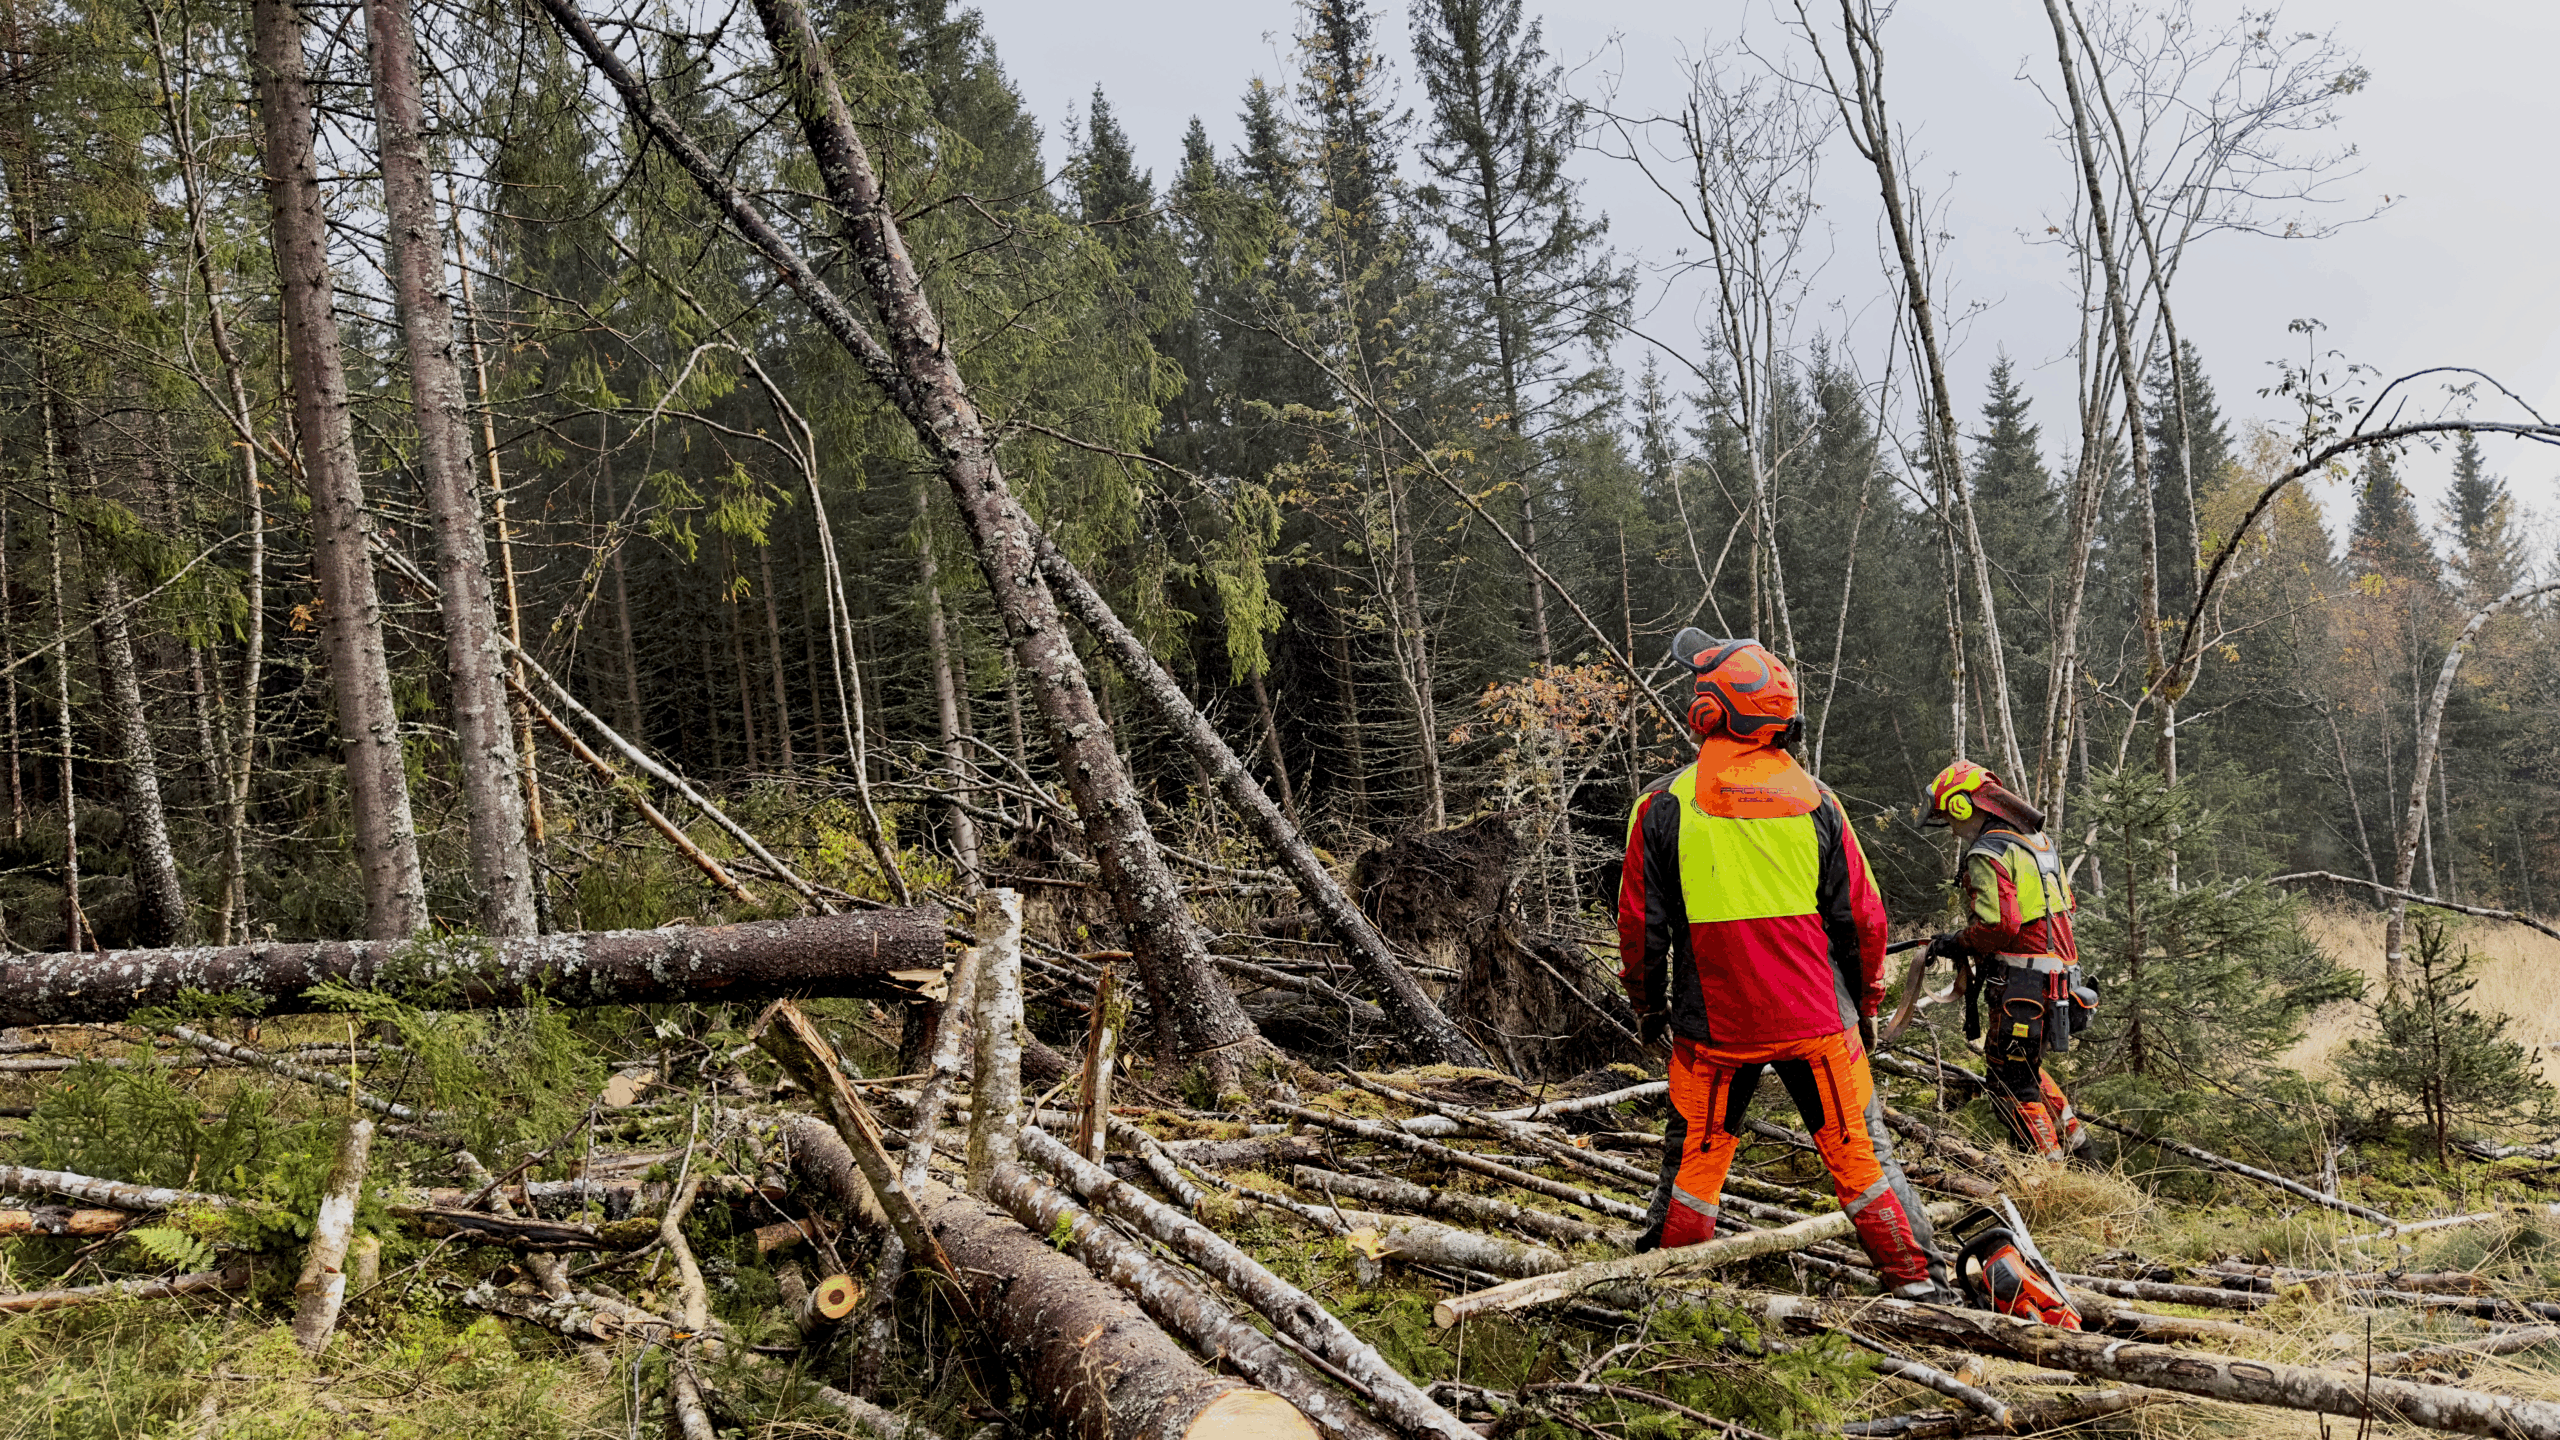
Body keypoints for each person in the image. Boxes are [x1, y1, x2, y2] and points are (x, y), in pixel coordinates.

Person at [1618, 629, 1949, 1298]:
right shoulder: (1819, 801)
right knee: (1862, 1157)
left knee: (1697, 1159)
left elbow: (1639, 928)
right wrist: (1866, 1005)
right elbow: (1863, 920)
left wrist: (1648, 1008)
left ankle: (1672, 1286)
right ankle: (1919, 1282)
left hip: (1716, 1027)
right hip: (1820, 1021)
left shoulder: (1662, 806)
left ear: (1708, 711)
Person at [1922, 759, 2093, 1161]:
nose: (1952, 827)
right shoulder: (2037, 843)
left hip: (2023, 985)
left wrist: (1958, 943)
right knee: (2025, 1069)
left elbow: (2000, 925)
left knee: (2009, 1081)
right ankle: (2083, 1157)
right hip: (2060, 978)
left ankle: (2047, 1178)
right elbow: (2066, 907)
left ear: (1964, 805)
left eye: (1950, 816)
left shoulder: (1988, 851)